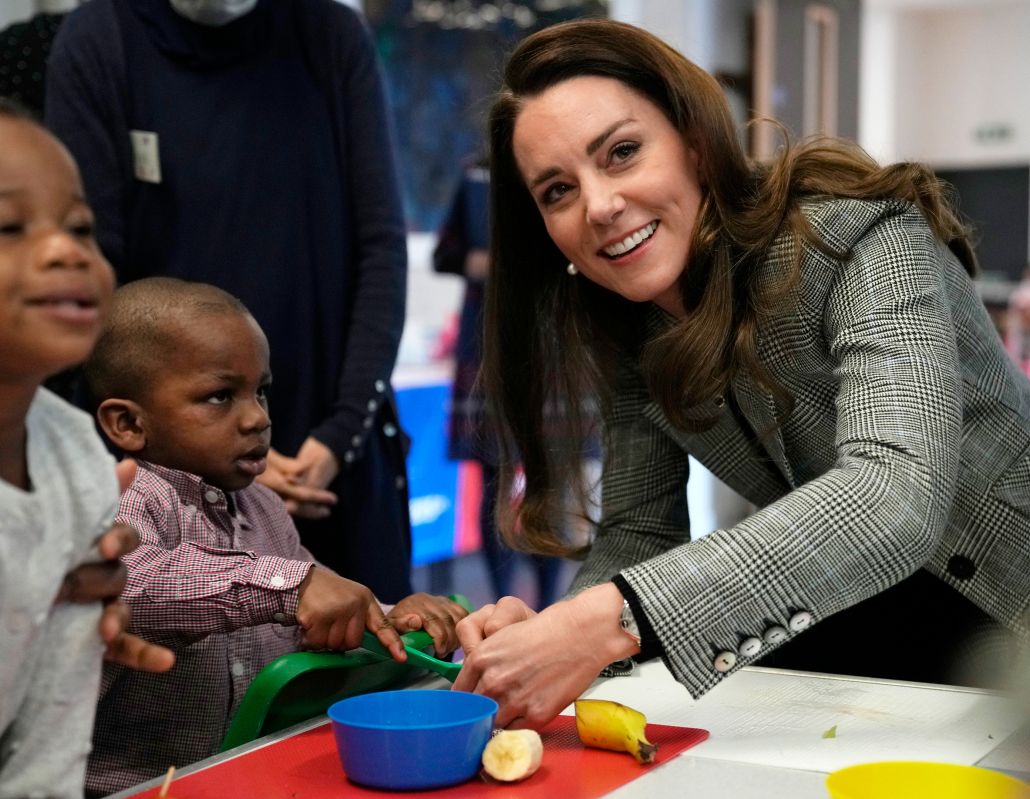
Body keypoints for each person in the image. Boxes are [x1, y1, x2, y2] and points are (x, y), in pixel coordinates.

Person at [451, 19, 1030, 730]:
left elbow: (894, 493)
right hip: (860, 620)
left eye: (623, 153)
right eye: (558, 191)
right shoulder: (631, 325)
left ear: (695, 142)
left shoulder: (861, 239)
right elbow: (637, 531)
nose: (600, 206)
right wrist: (557, 630)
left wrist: (613, 617)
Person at [45, 0, 414, 602]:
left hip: (333, 457)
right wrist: (214, 447)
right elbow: (92, 269)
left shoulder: (328, 33)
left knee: (375, 659)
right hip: (172, 471)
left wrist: (339, 434)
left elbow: (380, 248)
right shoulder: (103, 37)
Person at [82, 277, 468, 795]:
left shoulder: (263, 507)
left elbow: (316, 610)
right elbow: (132, 581)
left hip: (248, 777)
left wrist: (395, 615)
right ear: (128, 423)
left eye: (260, 391)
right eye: (220, 397)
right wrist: (293, 587)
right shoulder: (122, 500)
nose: (258, 418)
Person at [0, 88, 162, 799]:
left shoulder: (78, 458)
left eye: (80, 227)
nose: (64, 250)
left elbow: (59, 700)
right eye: (6, 227)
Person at [433, 157, 563, 609]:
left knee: (554, 482)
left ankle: (548, 607)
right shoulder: (475, 174)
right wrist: (483, 262)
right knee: (492, 480)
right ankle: (504, 601)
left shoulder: (560, 169)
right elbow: (444, 254)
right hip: (486, 346)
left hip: (551, 345)